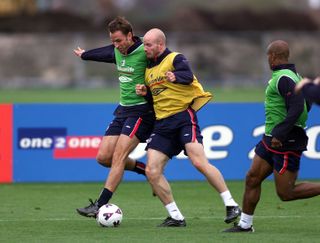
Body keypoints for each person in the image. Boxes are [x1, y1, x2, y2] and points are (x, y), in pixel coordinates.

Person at [136, 28, 241, 227]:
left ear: (160, 44)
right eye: (144, 44)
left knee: (199, 162)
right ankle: (175, 216)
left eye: (148, 44)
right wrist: (146, 94)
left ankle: (231, 204)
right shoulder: (149, 70)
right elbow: (157, 98)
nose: (145, 48)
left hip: (183, 118)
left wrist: (177, 77)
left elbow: (187, 74)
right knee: (152, 170)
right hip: (162, 124)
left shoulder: (176, 58)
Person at [224, 40, 320, 233]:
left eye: (268, 56)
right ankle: (245, 225)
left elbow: (297, 107)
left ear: (273, 57)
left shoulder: (284, 78)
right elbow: (307, 103)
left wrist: (281, 132)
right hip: (271, 139)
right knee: (252, 178)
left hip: (286, 140)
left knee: (286, 193)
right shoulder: (291, 76)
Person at [73, 16, 155, 217]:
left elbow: (162, 72)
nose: (116, 45)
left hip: (142, 112)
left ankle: (99, 205)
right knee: (103, 158)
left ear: (130, 36)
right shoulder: (117, 50)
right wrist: (85, 55)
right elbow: (105, 52)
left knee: (118, 157)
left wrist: (149, 90)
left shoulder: (146, 51)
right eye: (113, 41)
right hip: (123, 110)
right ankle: (146, 170)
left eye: (119, 40)